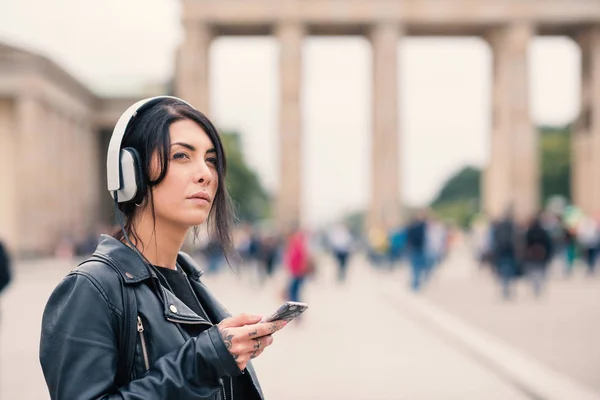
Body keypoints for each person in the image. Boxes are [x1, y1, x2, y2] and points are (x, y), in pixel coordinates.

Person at [39, 97, 288, 400]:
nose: (205, 174)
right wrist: (204, 361)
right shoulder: (92, 289)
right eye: (182, 156)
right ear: (131, 172)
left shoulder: (190, 284)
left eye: (210, 160)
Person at [523, 214, 553, 297]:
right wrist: (549, 255)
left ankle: (535, 287)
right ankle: (538, 287)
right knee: (540, 272)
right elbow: (548, 245)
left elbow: (525, 244)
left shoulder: (529, 232)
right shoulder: (544, 232)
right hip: (541, 255)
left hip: (531, 255)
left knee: (532, 272)